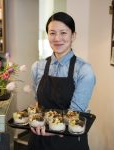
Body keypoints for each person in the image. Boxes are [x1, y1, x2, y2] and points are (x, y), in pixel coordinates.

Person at [28, 12, 96, 150]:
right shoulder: (37, 67)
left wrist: (51, 129)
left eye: (63, 33)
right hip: (39, 140)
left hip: (69, 141)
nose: (57, 38)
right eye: (52, 33)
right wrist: (35, 120)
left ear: (73, 36)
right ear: (47, 35)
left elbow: (75, 113)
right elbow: (38, 103)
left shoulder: (84, 70)